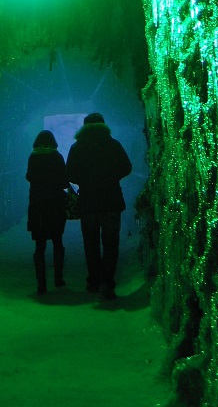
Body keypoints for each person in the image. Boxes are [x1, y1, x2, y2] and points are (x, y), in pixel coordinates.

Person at [66, 111, 132, 299]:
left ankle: (94, 280)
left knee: (91, 243)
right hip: (111, 199)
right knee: (111, 243)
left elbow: (69, 173)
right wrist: (111, 178)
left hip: (88, 201)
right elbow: (127, 167)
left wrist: (85, 181)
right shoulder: (113, 144)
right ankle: (108, 283)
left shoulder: (77, 147)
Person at [26, 129, 68, 294]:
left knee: (39, 246)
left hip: (38, 206)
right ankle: (58, 278)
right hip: (55, 204)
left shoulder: (33, 157)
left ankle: (41, 283)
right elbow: (64, 180)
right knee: (58, 242)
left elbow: (29, 176)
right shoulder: (57, 157)